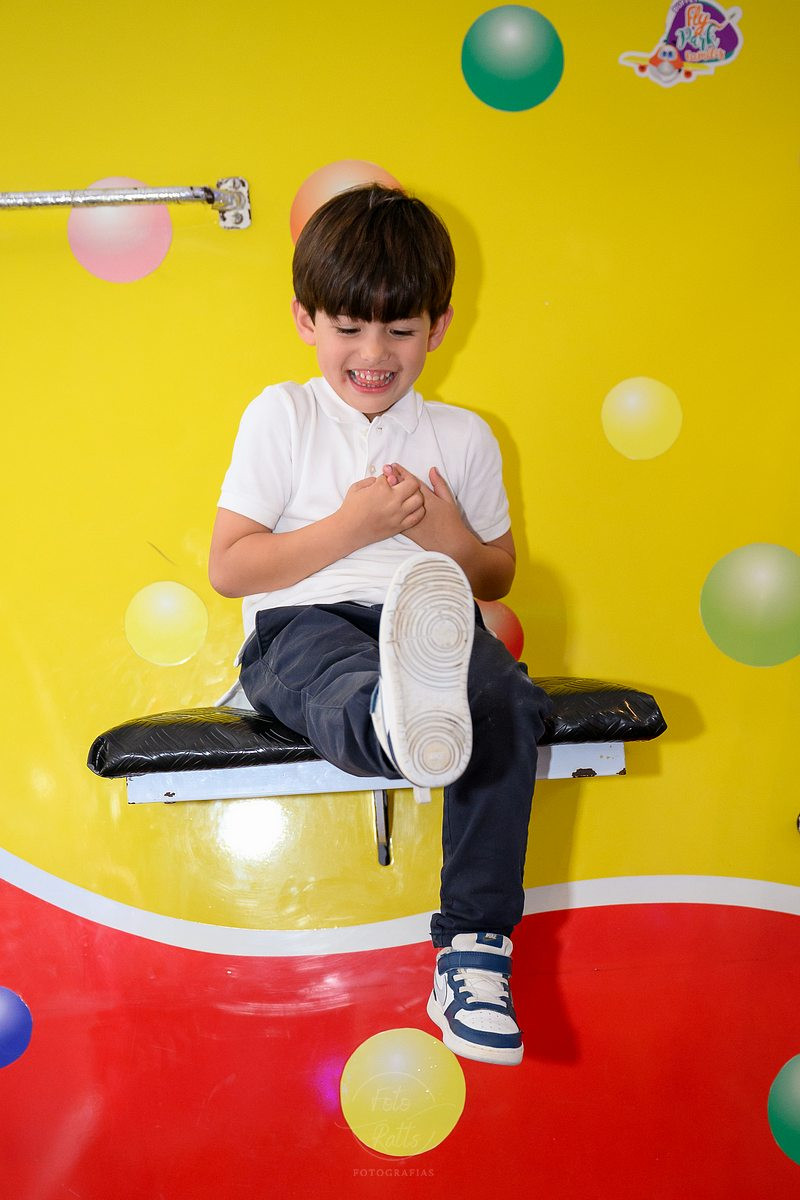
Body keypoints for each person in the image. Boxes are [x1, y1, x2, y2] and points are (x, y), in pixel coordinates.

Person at [208, 184, 552, 1066]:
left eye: (399, 330)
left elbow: (495, 573)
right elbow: (232, 566)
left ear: (438, 328)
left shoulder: (465, 437)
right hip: (303, 624)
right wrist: (352, 527)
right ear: (305, 320)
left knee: (506, 697)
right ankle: (390, 717)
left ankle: (474, 949)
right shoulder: (282, 416)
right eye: (349, 328)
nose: (373, 354)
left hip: (428, 625)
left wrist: (447, 540)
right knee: (347, 681)